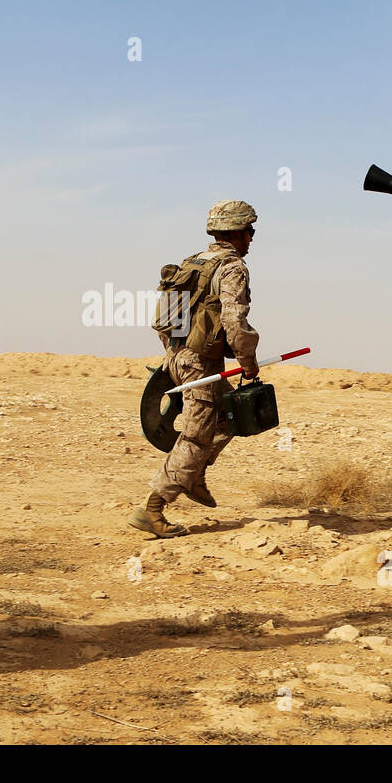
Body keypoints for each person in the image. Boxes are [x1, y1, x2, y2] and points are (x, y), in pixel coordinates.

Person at [130, 201, 261, 538]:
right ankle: (153, 509)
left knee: (229, 417)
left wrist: (179, 354)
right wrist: (247, 359)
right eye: (249, 230)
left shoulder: (193, 263)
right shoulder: (232, 269)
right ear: (235, 232)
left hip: (176, 358)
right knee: (196, 438)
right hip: (199, 365)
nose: (251, 238)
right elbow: (234, 319)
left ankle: (194, 477)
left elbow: (164, 322)